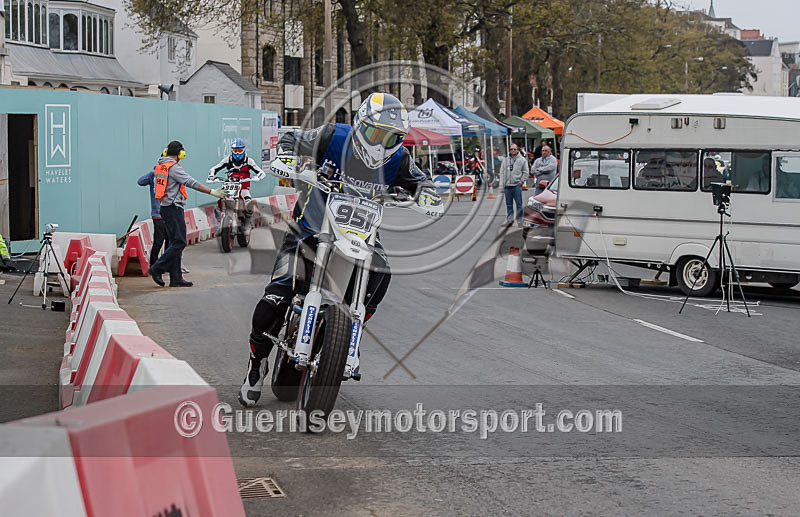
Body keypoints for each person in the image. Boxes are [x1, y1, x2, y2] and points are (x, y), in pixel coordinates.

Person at [239, 92, 438, 407]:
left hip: (360, 234)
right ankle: (256, 363)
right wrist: (288, 157)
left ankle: (350, 332)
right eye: (377, 133)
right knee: (277, 294)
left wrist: (428, 196)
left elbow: (421, 182)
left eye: (392, 137)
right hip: (310, 227)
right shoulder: (334, 135)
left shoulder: (399, 158)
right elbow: (292, 138)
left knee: (382, 273)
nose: (383, 143)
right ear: (361, 125)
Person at [147, 141, 225, 287]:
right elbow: (190, 182)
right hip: (173, 208)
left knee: (174, 241)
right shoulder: (174, 168)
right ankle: (157, 268)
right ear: (180, 154)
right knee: (179, 242)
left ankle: (176, 278)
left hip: (165, 207)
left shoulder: (160, 166)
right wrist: (212, 191)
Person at [207, 138, 266, 237]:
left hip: (243, 187)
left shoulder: (249, 161)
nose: (237, 153)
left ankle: (247, 224)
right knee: (219, 204)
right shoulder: (228, 160)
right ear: (232, 150)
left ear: (244, 150)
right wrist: (212, 175)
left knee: (248, 202)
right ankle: (219, 224)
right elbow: (215, 168)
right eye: (235, 150)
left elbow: (260, 172)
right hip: (230, 187)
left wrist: (258, 177)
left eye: (239, 150)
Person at [138, 160, 170, 268]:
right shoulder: (154, 174)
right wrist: (153, 172)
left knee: (169, 240)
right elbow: (141, 181)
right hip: (158, 214)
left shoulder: (172, 173)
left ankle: (166, 264)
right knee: (159, 241)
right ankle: (154, 265)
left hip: (169, 213)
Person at [501, 144, 528, 227]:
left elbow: (526, 172)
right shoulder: (505, 160)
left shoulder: (522, 160)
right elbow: (502, 173)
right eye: (511, 149)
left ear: (518, 150)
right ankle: (509, 220)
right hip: (507, 186)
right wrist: (502, 185)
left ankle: (520, 221)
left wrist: (521, 182)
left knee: (519, 204)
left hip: (517, 186)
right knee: (509, 204)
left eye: (514, 149)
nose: (512, 150)